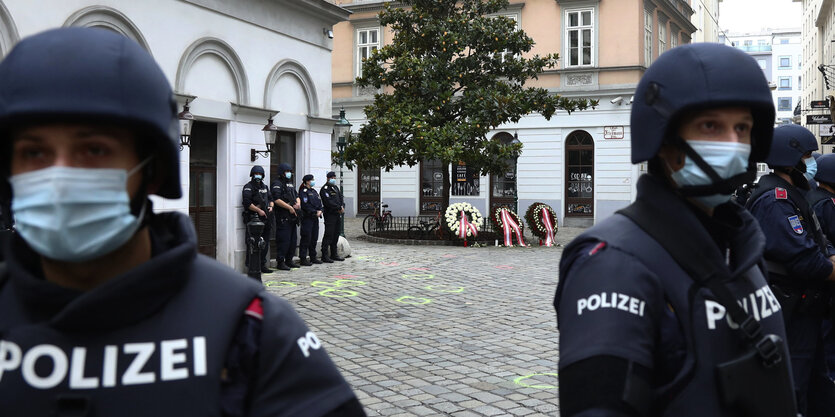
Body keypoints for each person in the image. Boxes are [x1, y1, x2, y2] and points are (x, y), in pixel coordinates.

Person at [0, 27, 365, 417]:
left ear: (152, 169)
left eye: (94, 150)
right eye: (34, 152)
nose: (60, 179)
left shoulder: (247, 327)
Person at [554, 43, 797, 417]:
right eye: (711, 126)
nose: (733, 144)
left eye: (743, 128)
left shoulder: (739, 244)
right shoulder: (613, 265)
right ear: (664, 141)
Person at [745, 124, 835, 416]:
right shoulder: (776, 199)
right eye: (807, 156)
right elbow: (808, 260)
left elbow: (819, 242)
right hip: (790, 308)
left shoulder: (791, 193)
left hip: (805, 309)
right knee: (793, 385)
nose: (811, 164)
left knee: (816, 382)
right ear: (791, 159)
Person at [241, 165, 273, 274]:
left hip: (265, 218)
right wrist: (258, 210)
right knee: (252, 243)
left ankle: (262, 264)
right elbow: (247, 203)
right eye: (256, 174)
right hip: (253, 219)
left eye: (260, 174)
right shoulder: (248, 187)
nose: (258, 176)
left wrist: (271, 206)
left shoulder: (265, 187)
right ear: (252, 175)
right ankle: (251, 265)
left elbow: (271, 199)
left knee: (265, 243)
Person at [271, 163, 300, 271]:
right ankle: (281, 261)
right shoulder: (277, 184)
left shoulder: (290, 183)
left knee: (293, 240)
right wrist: (289, 207)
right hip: (283, 216)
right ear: (282, 172)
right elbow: (277, 199)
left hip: (292, 216)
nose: (289, 173)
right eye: (287, 171)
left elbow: (296, 196)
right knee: (284, 240)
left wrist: (298, 204)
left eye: (290, 171)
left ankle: (289, 260)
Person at [320, 171, 345, 263]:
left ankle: (334, 254)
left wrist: (342, 206)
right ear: (328, 178)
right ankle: (324, 255)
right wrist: (338, 207)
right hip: (330, 214)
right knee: (329, 235)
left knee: (336, 234)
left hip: (337, 214)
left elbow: (340, 197)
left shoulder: (335, 187)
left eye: (334, 177)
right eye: (332, 178)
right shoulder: (325, 189)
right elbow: (328, 202)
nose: (334, 179)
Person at [298, 174, 323, 266]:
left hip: (315, 218)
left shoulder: (314, 191)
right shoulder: (303, 191)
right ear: (307, 181)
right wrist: (314, 211)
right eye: (312, 180)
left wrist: (320, 210)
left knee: (314, 238)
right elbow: (305, 205)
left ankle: (313, 257)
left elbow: (319, 202)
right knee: (306, 238)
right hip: (307, 218)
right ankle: (303, 258)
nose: (313, 181)